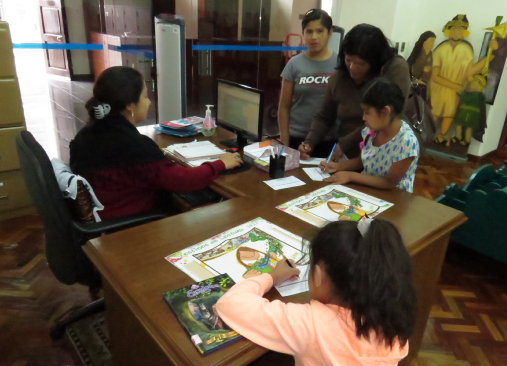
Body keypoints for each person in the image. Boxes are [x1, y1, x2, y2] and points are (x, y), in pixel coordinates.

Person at [216, 218, 417, 366]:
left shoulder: (312, 325)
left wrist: (271, 277)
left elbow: (230, 304)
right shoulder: (395, 322)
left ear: (319, 274)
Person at [69, 66, 242, 220]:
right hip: (129, 223)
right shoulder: (133, 145)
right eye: (144, 97)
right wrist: (220, 164)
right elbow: (182, 182)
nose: (149, 102)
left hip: (109, 208)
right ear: (130, 105)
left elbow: (146, 171)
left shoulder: (88, 133)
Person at [299, 23, 410, 161]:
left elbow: (389, 118)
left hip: (381, 153)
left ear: (374, 63)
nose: (352, 67)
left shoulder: (394, 68)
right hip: (346, 154)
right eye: (348, 60)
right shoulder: (340, 76)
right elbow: (325, 115)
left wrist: (346, 144)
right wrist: (309, 143)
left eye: (360, 64)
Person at [321, 77, 419, 193]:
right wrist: (339, 166)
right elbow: (365, 160)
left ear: (385, 112)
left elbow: (389, 183)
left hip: (393, 199)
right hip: (367, 192)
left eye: (367, 113)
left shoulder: (406, 142)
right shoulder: (372, 131)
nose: (363, 118)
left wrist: (351, 176)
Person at [277, 9, 337, 156]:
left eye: (319, 31)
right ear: (303, 33)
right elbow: (283, 107)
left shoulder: (340, 64)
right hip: (297, 138)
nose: (314, 37)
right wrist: (285, 141)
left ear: (329, 33)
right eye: (309, 31)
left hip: (329, 140)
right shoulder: (294, 64)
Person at [429, 14, 497, 145]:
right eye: (454, 29)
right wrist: (455, 86)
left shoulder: (466, 50)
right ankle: (427, 137)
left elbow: (470, 71)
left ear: (464, 33)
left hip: (456, 92)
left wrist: (489, 54)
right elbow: (434, 76)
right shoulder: (440, 50)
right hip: (438, 89)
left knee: (450, 114)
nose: (456, 32)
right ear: (449, 31)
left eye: (460, 30)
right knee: (434, 113)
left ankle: (442, 137)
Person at [452, 74, 487, 145]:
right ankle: (461, 139)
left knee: (465, 126)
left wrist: (459, 93)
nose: (471, 85)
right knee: (464, 126)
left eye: (474, 84)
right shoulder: (475, 94)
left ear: (479, 86)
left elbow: (466, 99)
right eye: (471, 83)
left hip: (469, 114)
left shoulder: (477, 95)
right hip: (465, 112)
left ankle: (464, 139)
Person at [407, 30, 436, 101]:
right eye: (431, 41)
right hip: (412, 83)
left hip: (424, 85)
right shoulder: (417, 52)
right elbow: (408, 67)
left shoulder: (431, 55)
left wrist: (423, 81)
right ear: (424, 41)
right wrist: (414, 80)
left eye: (434, 41)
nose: (433, 43)